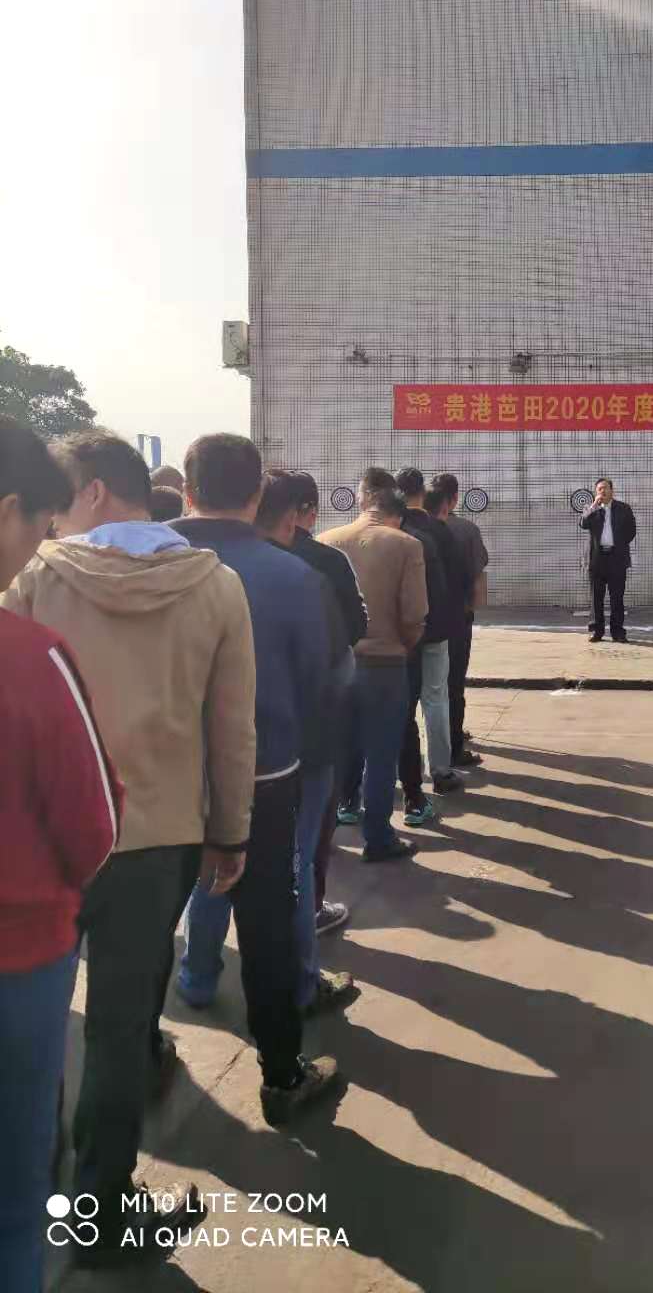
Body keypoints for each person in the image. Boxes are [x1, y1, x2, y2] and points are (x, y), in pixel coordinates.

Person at [3, 428, 257, 1258]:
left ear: (93, 492)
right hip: (159, 842)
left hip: (45, 839)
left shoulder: (37, 578)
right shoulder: (215, 586)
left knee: (39, 1025)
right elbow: (231, 726)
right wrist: (230, 833)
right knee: (120, 1030)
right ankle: (100, 1213)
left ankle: (27, 1194)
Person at [173, 435, 338, 1126]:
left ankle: (157, 1032)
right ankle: (281, 1074)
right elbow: (315, 682)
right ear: (256, 497)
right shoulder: (290, 575)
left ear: (187, 488)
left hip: (156, 778)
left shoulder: (141, 559)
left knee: (149, 924)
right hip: (264, 775)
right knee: (266, 927)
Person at [0, 419, 120, 1292]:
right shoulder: (30, 657)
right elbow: (93, 827)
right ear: (8, 512)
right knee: (13, 1204)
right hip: (17, 959)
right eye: (38, 529)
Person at [250, 471, 355, 1015]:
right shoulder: (308, 573)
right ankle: (302, 985)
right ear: (296, 513)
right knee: (296, 861)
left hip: (220, 748)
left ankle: (197, 977)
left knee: (217, 865)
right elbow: (337, 662)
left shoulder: (195, 564)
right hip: (298, 747)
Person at [320, 469, 428, 860]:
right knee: (381, 755)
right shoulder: (406, 545)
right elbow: (415, 615)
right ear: (396, 515)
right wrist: (403, 645)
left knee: (333, 753)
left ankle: (322, 836)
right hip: (385, 664)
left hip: (338, 664)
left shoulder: (327, 541)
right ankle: (378, 838)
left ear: (364, 504)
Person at [288, 471, 368, 934]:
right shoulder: (322, 562)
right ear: (307, 511)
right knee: (311, 823)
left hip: (241, 718)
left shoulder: (209, 559)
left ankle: (202, 962)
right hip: (314, 710)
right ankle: (309, 912)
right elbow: (353, 628)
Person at [396, 467, 461, 821]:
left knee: (403, 706)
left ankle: (404, 772)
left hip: (401, 633)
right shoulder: (439, 530)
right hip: (435, 630)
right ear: (422, 493)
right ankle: (441, 771)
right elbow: (455, 579)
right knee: (435, 699)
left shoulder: (393, 529)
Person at [430, 472, 488, 766]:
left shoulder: (410, 527)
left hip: (422, 620)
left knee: (427, 687)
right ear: (454, 499)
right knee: (453, 684)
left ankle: (431, 744)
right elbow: (479, 576)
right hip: (456, 619)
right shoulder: (467, 530)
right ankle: (453, 745)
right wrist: (471, 610)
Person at [580, 477, 636, 642]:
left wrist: (618, 545)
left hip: (616, 559)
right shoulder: (591, 509)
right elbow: (583, 524)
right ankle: (596, 631)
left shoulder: (624, 508)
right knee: (596, 597)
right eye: (599, 489)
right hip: (597, 559)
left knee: (617, 597)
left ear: (612, 490)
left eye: (605, 488)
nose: (602, 491)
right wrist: (593, 506)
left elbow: (631, 531)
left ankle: (617, 632)